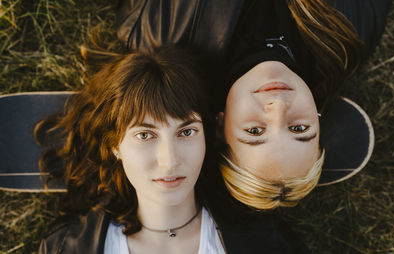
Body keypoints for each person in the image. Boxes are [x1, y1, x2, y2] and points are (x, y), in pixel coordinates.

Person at [115, 0, 385, 210]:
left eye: (255, 131)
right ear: (318, 117)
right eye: (300, 128)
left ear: (220, 126)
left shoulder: (158, 34)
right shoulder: (350, 36)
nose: (277, 107)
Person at [37, 46, 307, 253]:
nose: (169, 161)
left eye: (186, 132)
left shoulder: (265, 242)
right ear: (114, 145)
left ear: (207, 136)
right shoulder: (63, 248)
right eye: (145, 135)